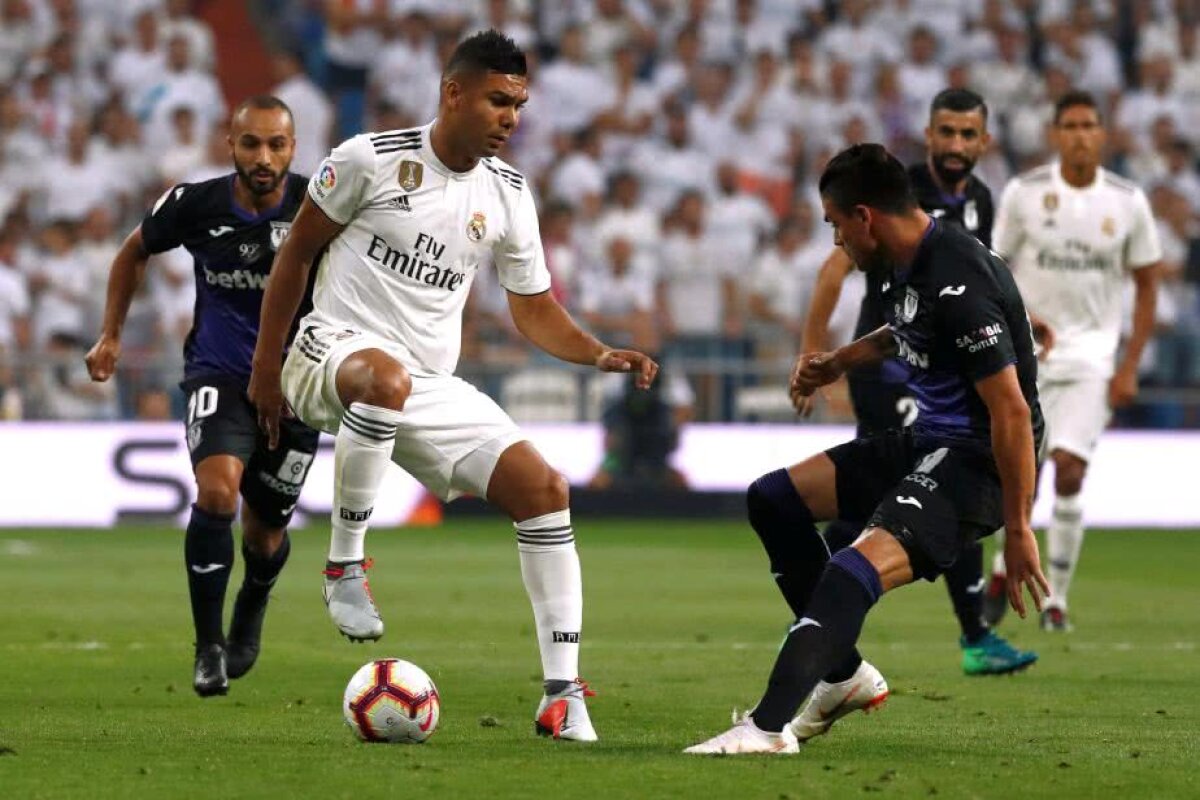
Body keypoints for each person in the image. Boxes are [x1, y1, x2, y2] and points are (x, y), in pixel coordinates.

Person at [247, 30, 658, 742]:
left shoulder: (506, 193)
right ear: (453, 92)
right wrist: (264, 367)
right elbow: (297, 255)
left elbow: (531, 305)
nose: (510, 117)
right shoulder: (368, 160)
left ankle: (562, 696)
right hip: (329, 352)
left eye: (519, 105)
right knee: (383, 378)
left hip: (423, 382)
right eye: (498, 100)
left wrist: (596, 354)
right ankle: (345, 566)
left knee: (544, 490)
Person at [685, 143, 1048, 755]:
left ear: (865, 217)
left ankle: (767, 729)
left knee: (852, 567)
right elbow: (903, 327)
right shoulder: (901, 260)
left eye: (835, 225)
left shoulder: (958, 281)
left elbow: (1011, 411)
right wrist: (837, 362)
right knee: (773, 500)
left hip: (978, 460)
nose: (835, 241)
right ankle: (844, 675)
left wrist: (1018, 526)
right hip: (930, 439)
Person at [799, 88, 1037, 676]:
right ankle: (969, 632)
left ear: (985, 142)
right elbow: (834, 269)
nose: (956, 145)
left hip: (942, 368)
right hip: (891, 369)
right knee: (943, 479)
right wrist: (817, 352)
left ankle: (818, 608)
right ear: (928, 137)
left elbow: (975, 285)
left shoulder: (980, 200)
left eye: (967, 134)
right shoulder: (893, 195)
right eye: (946, 133)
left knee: (902, 495)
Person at [85, 96, 317, 698]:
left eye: (277, 145)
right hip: (218, 375)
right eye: (251, 144)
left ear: (293, 147)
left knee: (265, 536)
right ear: (230, 145)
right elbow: (132, 251)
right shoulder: (195, 204)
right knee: (216, 494)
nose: (263, 157)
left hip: (296, 391)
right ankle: (208, 646)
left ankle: (253, 601)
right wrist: (110, 334)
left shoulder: (321, 205)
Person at [986, 90, 1161, 632]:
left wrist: (1129, 363)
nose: (1081, 134)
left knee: (1069, 471)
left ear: (1102, 134)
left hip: (1092, 356)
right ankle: (1000, 568)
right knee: (1020, 477)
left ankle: (1055, 602)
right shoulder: (1025, 193)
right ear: (1055, 134)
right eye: (1071, 125)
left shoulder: (1128, 200)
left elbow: (1148, 281)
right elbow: (995, 266)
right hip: (1029, 354)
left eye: (1089, 125)